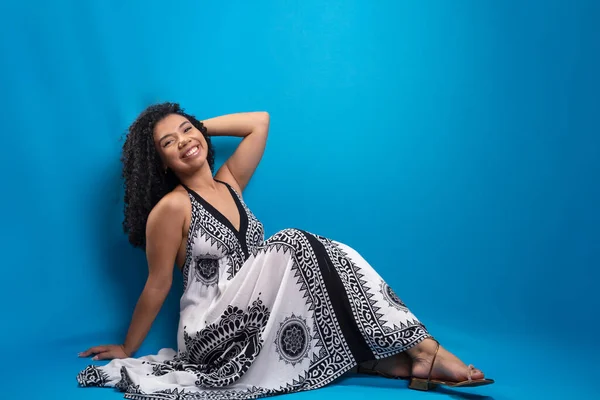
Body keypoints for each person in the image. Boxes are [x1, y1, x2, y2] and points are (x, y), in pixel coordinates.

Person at [76, 103, 493, 399]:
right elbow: (157, 285)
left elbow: (260, 122)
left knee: (316, 266)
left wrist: (194, 128)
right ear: (160, 162)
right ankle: (423, 349)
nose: (184, 142)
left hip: (258, 317)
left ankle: (403, 360)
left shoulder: (229, 184)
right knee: (293, 242)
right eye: (169, 143)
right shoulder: (170, 208)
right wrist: (129, 349)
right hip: (211, 332)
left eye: (187, 131)